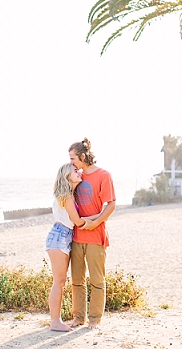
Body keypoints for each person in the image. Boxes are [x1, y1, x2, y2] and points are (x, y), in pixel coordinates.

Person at [68, 137, 116, 329]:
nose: (71, 162)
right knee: (77, 281)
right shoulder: (75, 176)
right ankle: (78, 317)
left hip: (96, 236)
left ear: (82, 156)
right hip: (76, 235)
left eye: (73, 158)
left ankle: (94, 319)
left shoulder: (104, 175)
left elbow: (111, 204)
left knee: (97, 280)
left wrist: (95, 222)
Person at [45, 163, 97, 332]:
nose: (79, 172)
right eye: (75, 171)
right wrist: (100, 217)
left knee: (60, 281)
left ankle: (56, 320)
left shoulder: (69, 195)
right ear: (68, 176)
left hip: (64, 237)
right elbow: (78, 221)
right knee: (58, 282)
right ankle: (55, 321)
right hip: (60, 236)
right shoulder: (67, 196)